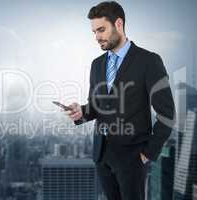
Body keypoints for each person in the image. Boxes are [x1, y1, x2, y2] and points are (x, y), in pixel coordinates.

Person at [65, 1, 175, 200]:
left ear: (118, 24)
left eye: (101, 30)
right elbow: (96, 106)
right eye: (94, 32)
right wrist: (81, 112)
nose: (97, 37)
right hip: (102, 154)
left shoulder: (149, 61)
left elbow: (167, 114)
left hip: (132, 156)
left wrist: (148, 153)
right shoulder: (97, 65)